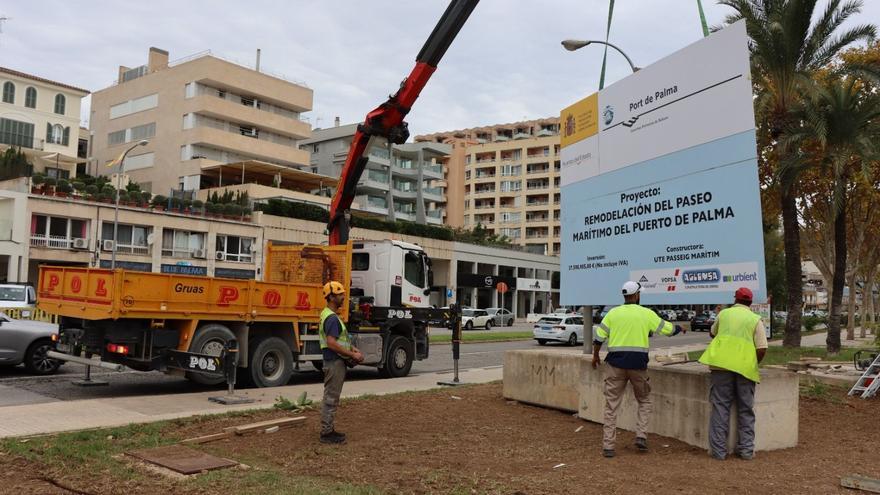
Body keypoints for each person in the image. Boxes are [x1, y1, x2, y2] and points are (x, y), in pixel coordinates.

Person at [592, 281, 686, 458]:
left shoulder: (613, 313)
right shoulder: (646, 314)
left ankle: (608, 447)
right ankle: (641, 436)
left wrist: (595, 356)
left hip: (615, 366)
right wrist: (680, 328)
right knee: (644, 401)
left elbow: (598, 338)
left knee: (611, 406)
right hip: (638, 367)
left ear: (625, 296)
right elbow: (667, 329)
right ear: (637, 296)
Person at [698, 287, 767, 460]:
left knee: (720, 407)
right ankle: (745, 451)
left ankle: (719, 452)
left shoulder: (724, 314)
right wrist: (752, 363)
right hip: (744, 369)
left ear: (734, 299)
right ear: (750, 302)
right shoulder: (755, 319)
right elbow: (762, 347)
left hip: (720, 366)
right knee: (745, 409)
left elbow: (712, 333)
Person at [318, 280, 364, 445]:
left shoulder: (329, 315)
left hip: (335, 360)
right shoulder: (331, 318)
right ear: (330, 297)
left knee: (331, 396)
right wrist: (352, 354)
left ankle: (328, 429)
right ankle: (326, 432)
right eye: (339, 295)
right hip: (334, 361)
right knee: (331, 397)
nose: (343, 297)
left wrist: (353, 350)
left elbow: (339, 340)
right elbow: (332, 342)